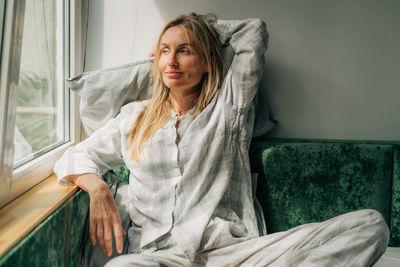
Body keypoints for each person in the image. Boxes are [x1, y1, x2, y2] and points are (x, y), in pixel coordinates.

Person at [54, 13, 389, 266]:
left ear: (208, 62)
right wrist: (96, 187)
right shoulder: (134, 118)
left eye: (184, 51)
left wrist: (199, 27)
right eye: (163, 51)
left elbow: (253, 31)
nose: (171, 61)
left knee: (371, 226)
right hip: (159, 257)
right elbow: (75, 157)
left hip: (232, 255)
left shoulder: (230, 109)